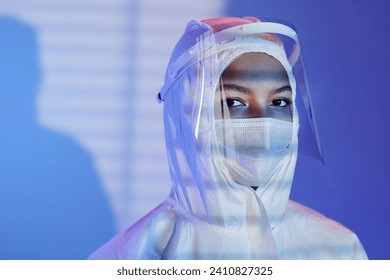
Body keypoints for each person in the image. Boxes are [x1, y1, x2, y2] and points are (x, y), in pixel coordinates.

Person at [89, 16, 367, 259]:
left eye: (280, 102)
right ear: (185, 116)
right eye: (233, 102)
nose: (262, 120)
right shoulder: (132, 258)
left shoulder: (338, 251)